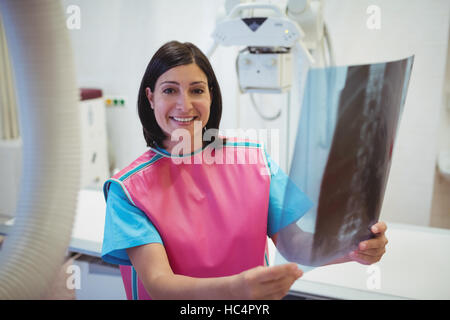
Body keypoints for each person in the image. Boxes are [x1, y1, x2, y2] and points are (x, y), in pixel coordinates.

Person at [101, 41, 389, 300]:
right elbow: (159, 284)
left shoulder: (253, 159)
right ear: (150, 98)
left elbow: (295, 244)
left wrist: (352, 247)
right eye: (170, 90)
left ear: (211, 96)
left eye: (197, 90)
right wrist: (236, 290)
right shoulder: (128, 190)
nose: (184, 104)